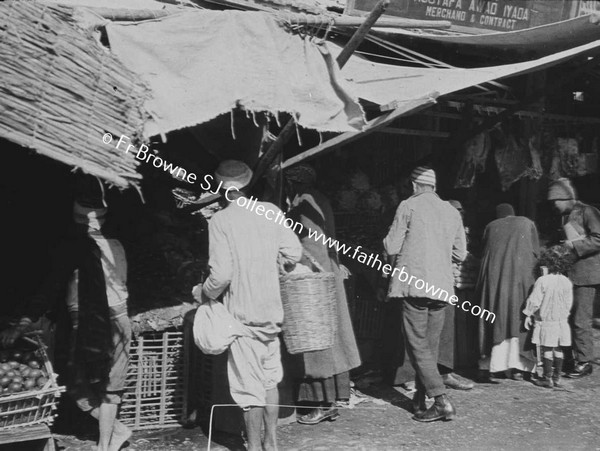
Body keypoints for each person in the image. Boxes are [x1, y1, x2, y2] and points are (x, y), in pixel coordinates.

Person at [0, 175, 132, 451]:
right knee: (111, 386)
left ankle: (111, 437)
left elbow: (48, 291)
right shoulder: (116, 246)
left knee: (75, 383)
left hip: (88, 324)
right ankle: (109, 440)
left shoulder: (71, 248)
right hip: (119, 321)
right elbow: (122, 285)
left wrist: (22, 324)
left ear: (76, 221)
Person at [198, 160, 302, 451]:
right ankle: (271, 442)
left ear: (220, 187)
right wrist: (275, 261)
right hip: (272, 312)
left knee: (248, 387)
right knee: (269, 380)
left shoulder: (220, 221)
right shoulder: (271, 211)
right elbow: (294, 252)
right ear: (247, 183)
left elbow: (220, 275)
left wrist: (204, 292)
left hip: (243, 315)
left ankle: (254, 447)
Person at [383, 166, 467, 422]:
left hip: (415, 284)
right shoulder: (451, 211)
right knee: (428, 346)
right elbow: (460, 254)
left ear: (413, 185)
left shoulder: (409, 205)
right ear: (434, 186)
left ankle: (440, 401)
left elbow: (391, 244)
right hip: (441, 287)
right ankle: (420, 400)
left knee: (417, 344)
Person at [284, 164, 361, 425]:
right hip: (327, 272)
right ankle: (333, 399)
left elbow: (309, 244)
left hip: (314, 278)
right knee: (330, 337)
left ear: (294, 182)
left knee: (315, 343)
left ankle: (320, 403)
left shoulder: (303, 203)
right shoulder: (319, 199)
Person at [476, 203, 538, 383]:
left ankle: (491, 367)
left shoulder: (490, 226)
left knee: (496, 315)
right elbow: (535, 252)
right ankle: (518, 368)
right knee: (518, 317)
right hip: (520, 276)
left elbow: (484, 251)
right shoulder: (527, 223)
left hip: (495, 278)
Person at [547, 178, 600, 378]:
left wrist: (574, 246)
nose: (553, 206)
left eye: (555, 201)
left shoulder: (588, 211)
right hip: (572, 273)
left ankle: (585, 361)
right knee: (569, 318)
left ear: (565, 198)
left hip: (587, 274)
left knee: (581, 319)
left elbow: (598, 237)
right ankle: (572, 358)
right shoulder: (565, 216)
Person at [523, 245, 575, 389]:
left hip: (547, 321)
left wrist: (528, 314)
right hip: (561, 322)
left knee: (547, 349)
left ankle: (547, 378)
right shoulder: (567, 282)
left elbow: (535, 300)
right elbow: (568, 303)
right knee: (558, 349)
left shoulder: (543, 281)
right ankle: (557, 377)